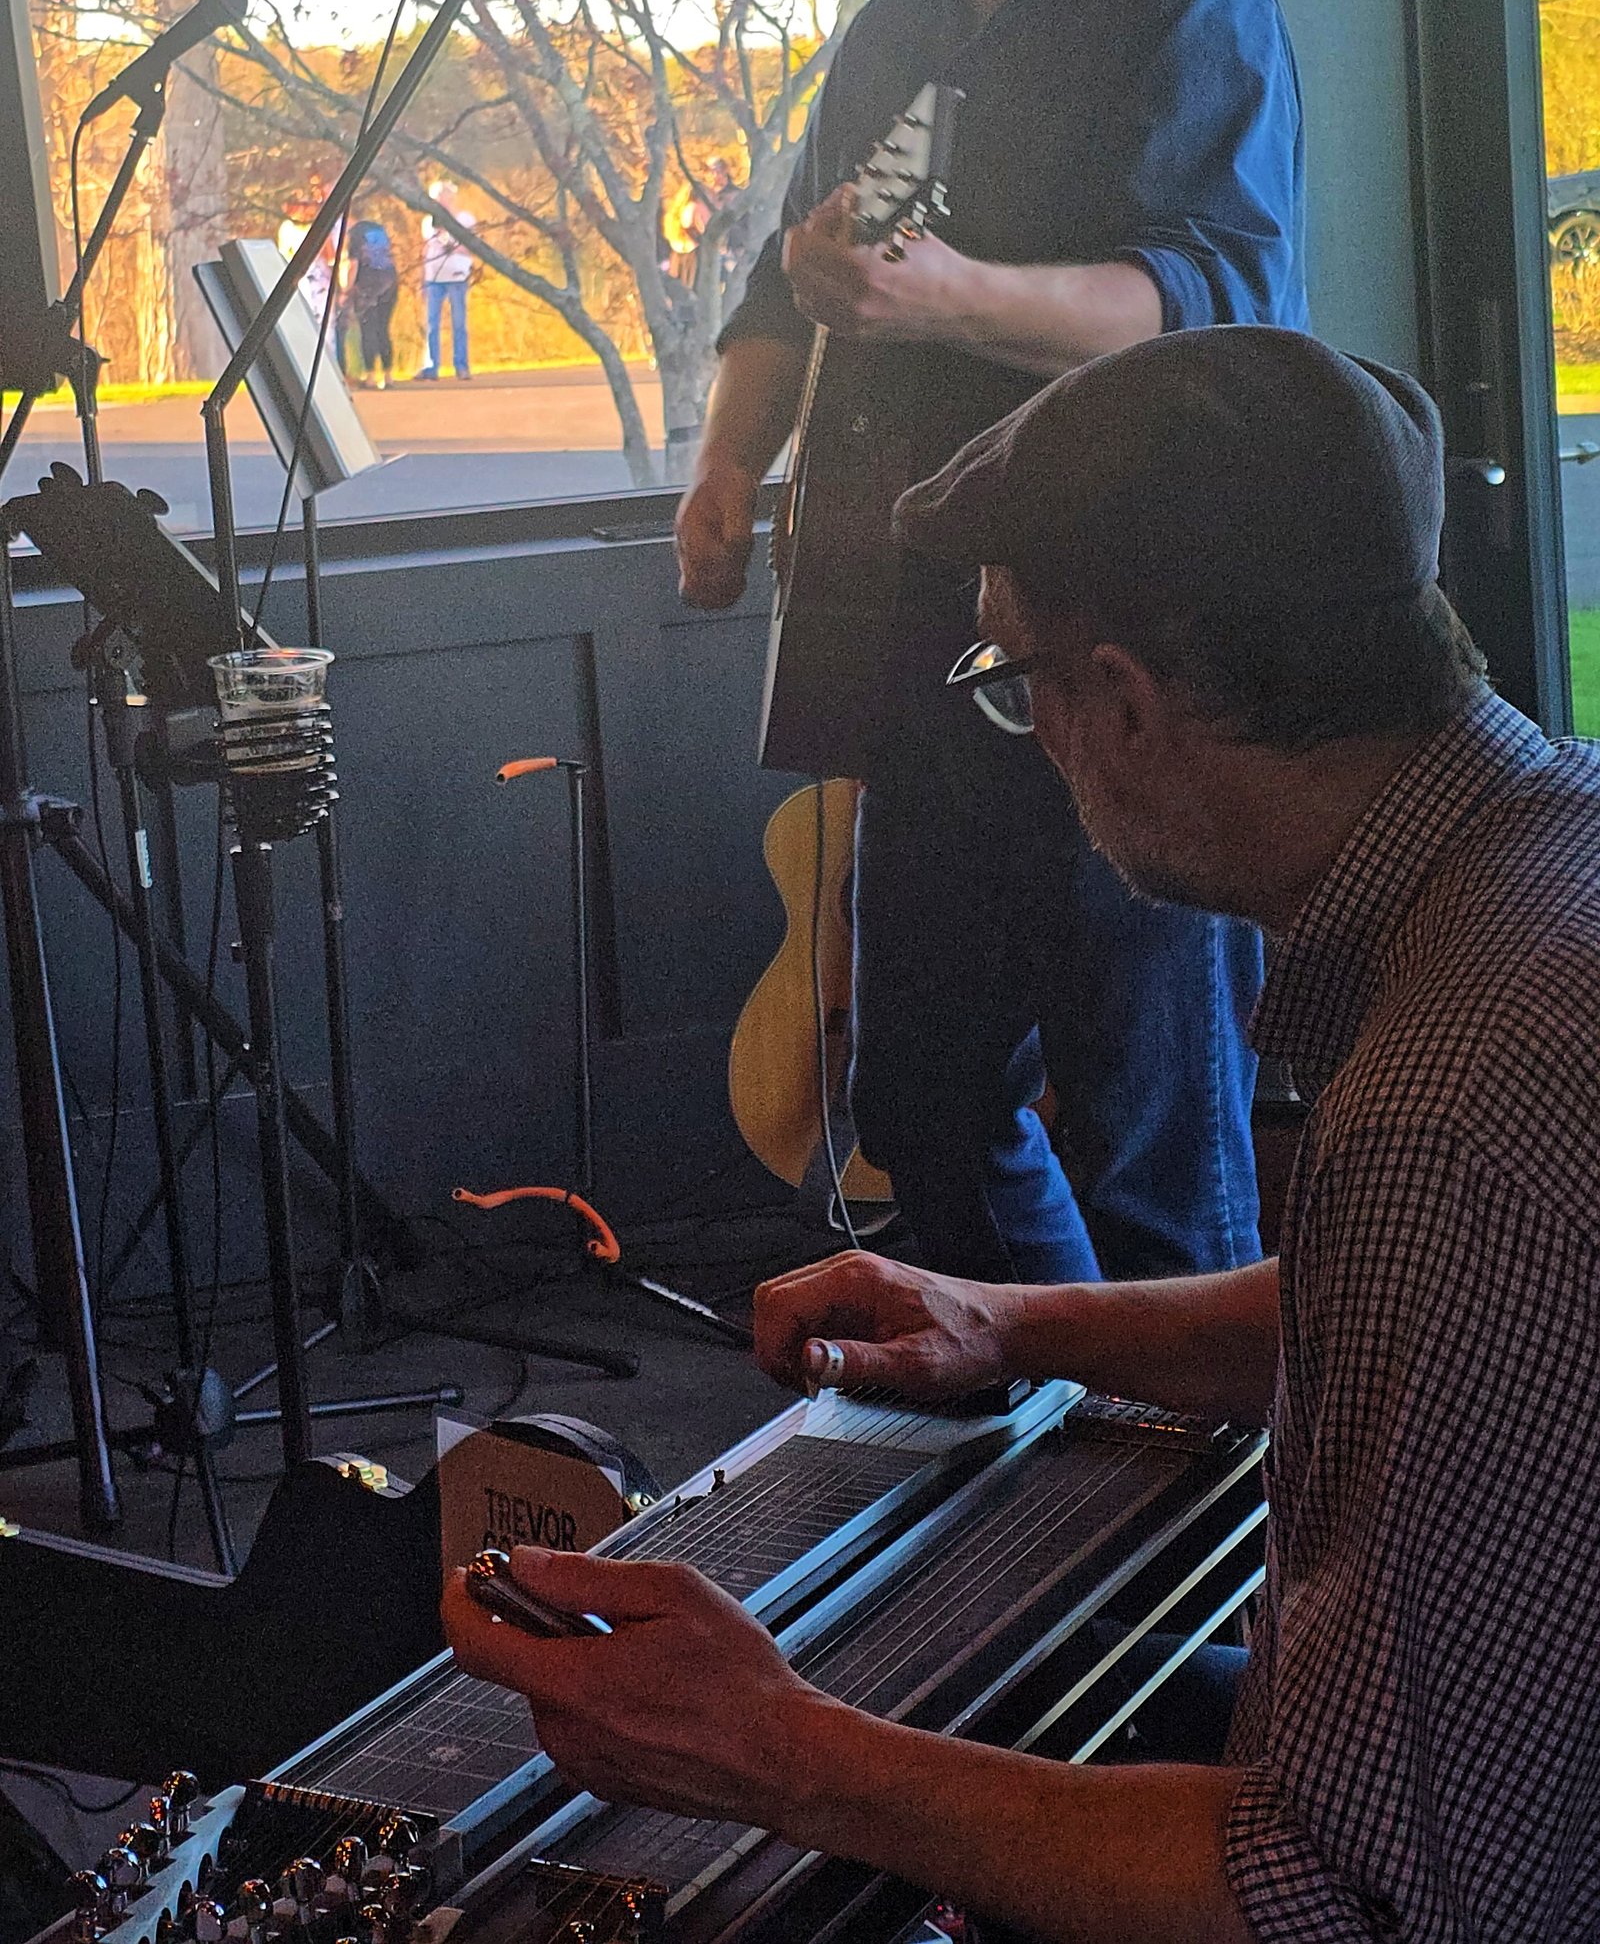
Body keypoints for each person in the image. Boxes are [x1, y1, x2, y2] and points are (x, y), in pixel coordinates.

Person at [447, 326, 1600, 1940]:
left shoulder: (1449, 1103)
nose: (1030, 735)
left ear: (1117, 699)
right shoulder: (1550, 864)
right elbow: (1425, 1314)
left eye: (1014, 682)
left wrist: (775, 1749)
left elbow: (1337, 1901)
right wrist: (1014, 1322)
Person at [675, 0, 1308, 1285]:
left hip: (1129, 669)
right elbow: (792, 283)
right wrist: (730, 459)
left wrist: (948, 295)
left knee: (1151, 1145)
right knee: (928, 1110)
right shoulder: (898, 33)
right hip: (930, 659)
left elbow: (1208, 302)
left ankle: (1182, 1451)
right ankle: (1038, 1403)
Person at [418, 180, 477, 380]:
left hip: (457, 276)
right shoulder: (428, 222)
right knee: (432, 324)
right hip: (434, 277)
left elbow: (473, 247)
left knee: (459, 323)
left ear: (450, 197)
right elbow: (425, 251)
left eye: (442, 197)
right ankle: (431, 366)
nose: (439, 201)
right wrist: (422, 280)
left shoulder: (464, 219)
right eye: (436, 198)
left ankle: (461, 365)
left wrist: (451, 245)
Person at [344, 215, 399, 387]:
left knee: (367, 330)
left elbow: (354, 265)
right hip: (389, 282)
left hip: (367, 287)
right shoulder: (379, 230)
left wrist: (346, 290)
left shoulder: (355, 234)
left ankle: (371, 377)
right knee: (383, 329)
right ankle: (388, 376)